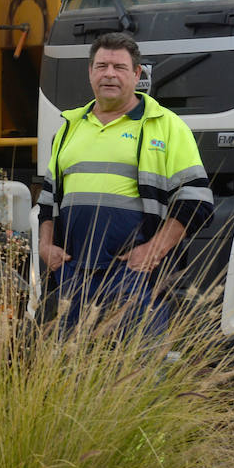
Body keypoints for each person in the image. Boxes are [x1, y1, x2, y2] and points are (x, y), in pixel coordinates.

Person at [37, 31, 212, 334]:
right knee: (68, 368)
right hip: (71, 274)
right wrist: (45, 247)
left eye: (119, 67)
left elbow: (196, 201)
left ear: (136, 74)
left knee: (137, 370)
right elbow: (48, 201)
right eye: (102, 66)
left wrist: (154, 251)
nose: (109, 74)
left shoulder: (166, 126)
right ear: (90, 72)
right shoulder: (68, 128)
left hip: (133, 276)